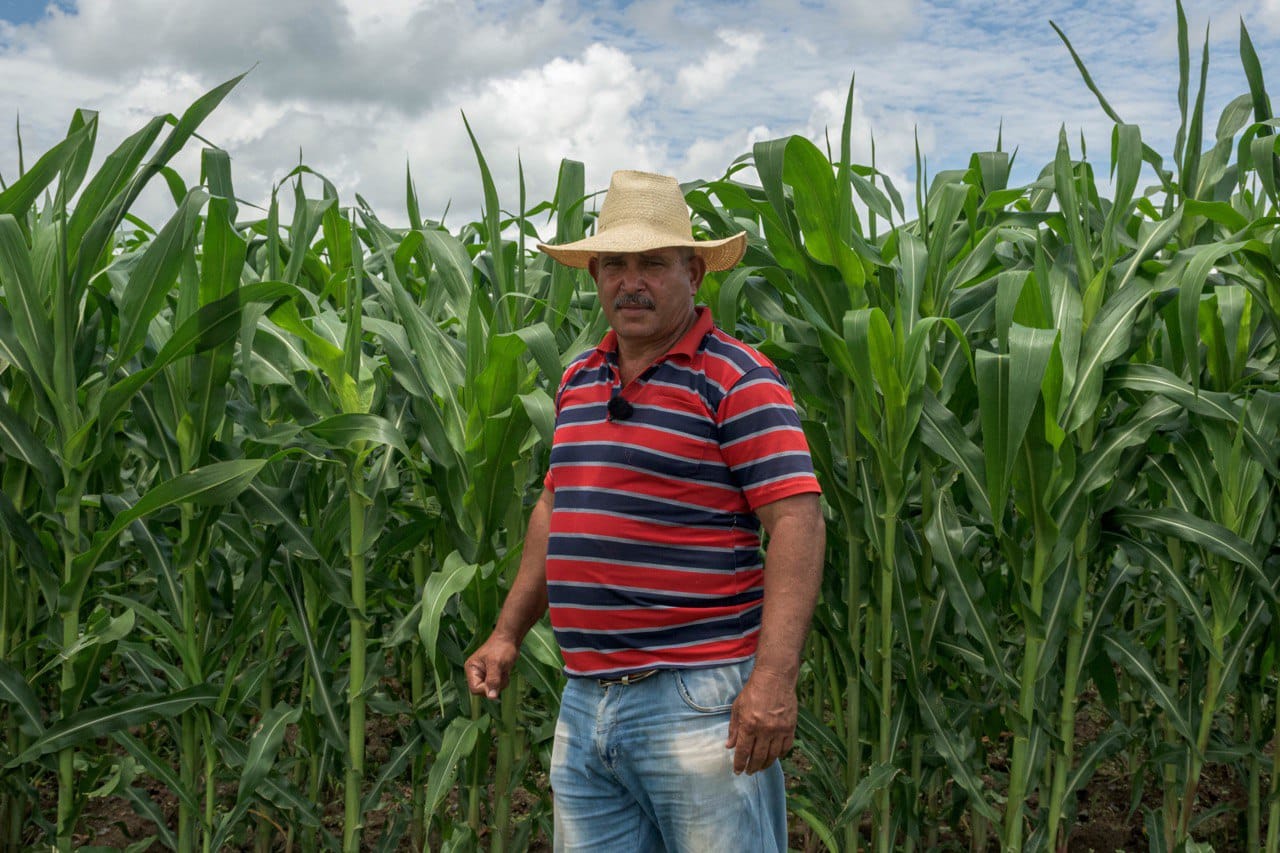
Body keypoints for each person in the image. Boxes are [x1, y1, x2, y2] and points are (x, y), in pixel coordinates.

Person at [464, 170, 825, 852]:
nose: (631, 282)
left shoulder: (736, 381)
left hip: (698, 699)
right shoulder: (578, 379)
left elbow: (797, 520)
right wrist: (509, 631)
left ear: (693, 272)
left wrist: (773, 679)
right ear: (595, 274)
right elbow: (554, 506)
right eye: (615, 265)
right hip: (586, 698)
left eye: (653, 264)